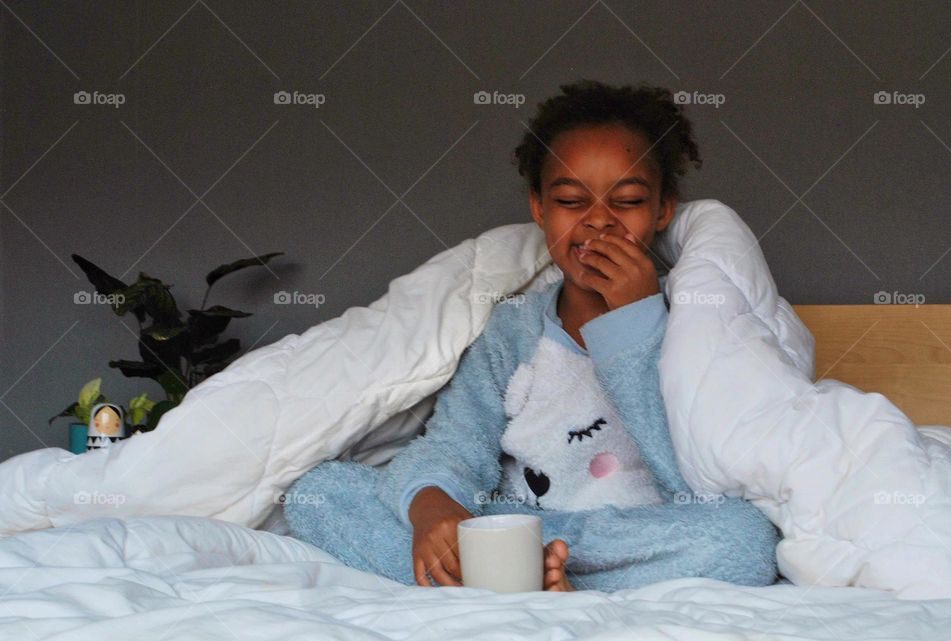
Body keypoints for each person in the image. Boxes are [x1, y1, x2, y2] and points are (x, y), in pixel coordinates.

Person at [285, 79, 781, 591]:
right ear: (540, 209)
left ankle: (521, 582)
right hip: (511, 527)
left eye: (628, 201)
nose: (599, 223)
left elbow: (692, 479)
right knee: (320, 491)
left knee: (741, 539)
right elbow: (459, 444)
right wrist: (432, 509)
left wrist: (634, 325)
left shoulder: (695, 321)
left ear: (663, 210)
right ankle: (514, 571)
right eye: (571, 201)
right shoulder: (513, 329)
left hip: (634, 536)